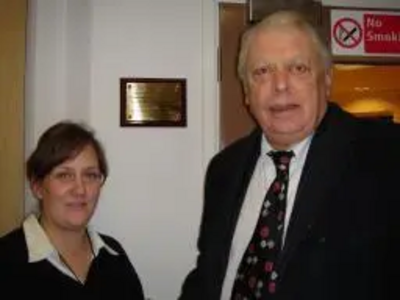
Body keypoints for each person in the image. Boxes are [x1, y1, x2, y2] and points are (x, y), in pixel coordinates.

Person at [179, 10, 400, 300]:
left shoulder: (386, 154)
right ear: (247, 93)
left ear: (327, 81)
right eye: (262, 72)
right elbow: (209, 273)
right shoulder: (224, 169)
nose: (280, 85)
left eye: (298, 68)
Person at [0, 121, 145, 299]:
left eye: (90, 175)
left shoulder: (113, 254)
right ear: (37, 186)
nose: (80, 190)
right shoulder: (6, 262)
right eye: (64, 175)